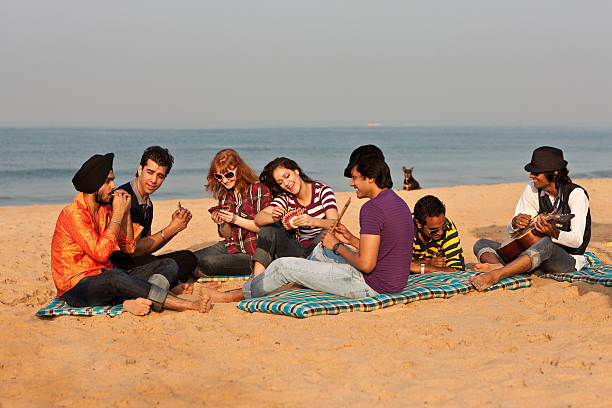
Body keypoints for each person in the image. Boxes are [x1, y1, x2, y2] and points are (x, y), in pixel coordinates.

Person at [200, 145, 414, 302]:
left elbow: (366, 265)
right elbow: (384, 249)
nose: (351, 183)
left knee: (283, 266)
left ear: (369, 178)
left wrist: (338, 246)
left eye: (355, 178)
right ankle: (298, 277)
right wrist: (351, 240)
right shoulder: (398, 202)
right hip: (393, 283)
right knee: (319, 253)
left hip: (371, 285)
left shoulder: (371, 209)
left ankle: (232, 295)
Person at [51, 153, 211, 315]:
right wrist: (118, 215)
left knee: (168, 264)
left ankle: (139, 299)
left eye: (112, 180)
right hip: (76, 286)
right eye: (107, 182)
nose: (114, 186)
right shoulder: (73, 214)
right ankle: (183, 304)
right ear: (94, 185)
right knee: (115, 277)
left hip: (104, 275)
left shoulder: (104, 211)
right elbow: (100, 253)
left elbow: (129, 247)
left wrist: (125, 214)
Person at [471, 146, 591, 291]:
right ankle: (505, 267)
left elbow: (577, 240)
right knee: (481, 244)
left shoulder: (576, 195)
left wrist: (554, 233)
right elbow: (514, 233)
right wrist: (515, 223)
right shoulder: (532, 189)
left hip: (567, 260)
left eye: (536, 173)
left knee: (546, 243)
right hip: (530, 252)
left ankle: (497, 274)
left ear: (554, 173)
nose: (531, 176)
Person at [112, 146, 198, 283]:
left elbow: (148, 247)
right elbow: (136, 250)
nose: (153, 180)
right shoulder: (126, 198)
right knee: (167, 264)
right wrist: (171, 229)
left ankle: (170, 282)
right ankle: (172, 284)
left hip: (138, 261)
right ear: (140, 170)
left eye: (160, 176)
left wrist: (175, 228)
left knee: (187, 258)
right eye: (150, 172)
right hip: (119, 266)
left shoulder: (147, 202)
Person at [250, 157, 339, 276]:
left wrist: (312, 221)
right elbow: (258, 218)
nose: (286, 183)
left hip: (321, 250)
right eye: (280, 182)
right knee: (269, 228)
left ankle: (308, 273)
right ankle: (257, 280)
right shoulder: (286, 198)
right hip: (299, 252)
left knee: (326, 234)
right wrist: (273, 218)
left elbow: (335, 222)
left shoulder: (322, 191)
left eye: (287, 176)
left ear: (296, 171)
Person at [194, 149, 272, 276]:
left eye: (229, 175)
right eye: (219, 176)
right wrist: (223, 223)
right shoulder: (224, 196)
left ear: (239, 170)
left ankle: (200, 271)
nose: (224, 180)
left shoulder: (258, 189)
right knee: (190, 258)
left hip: (254, 254)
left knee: (209, 262)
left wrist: (235, 219)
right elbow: (226, 235)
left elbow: (266, 229)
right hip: (231, 246)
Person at [411, 195, 465, 273]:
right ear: (419, 224)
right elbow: (396, 263)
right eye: (434, 230)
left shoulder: (449, 229)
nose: (440, 232)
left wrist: (424, 268)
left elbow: (457, 270)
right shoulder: (405, 229)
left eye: (443, 227)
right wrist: (428, 263)